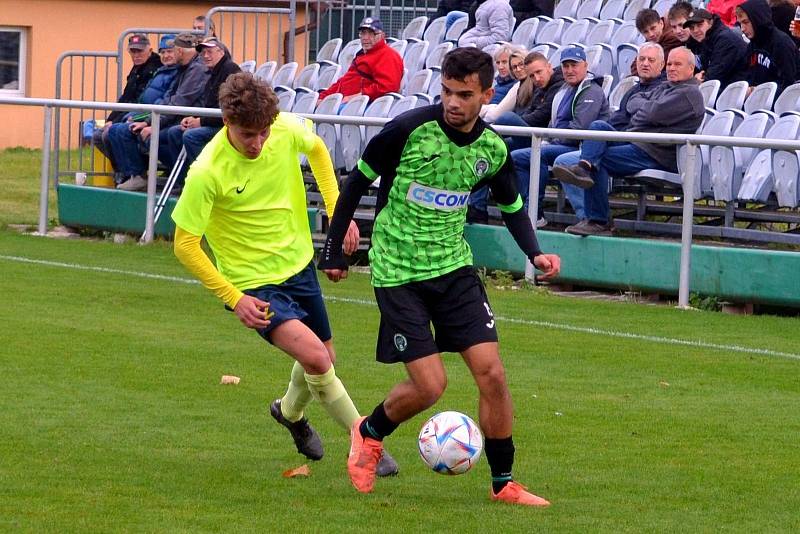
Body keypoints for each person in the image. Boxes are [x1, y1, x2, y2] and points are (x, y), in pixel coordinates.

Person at [317, 47, 561, 505]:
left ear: (487, 94)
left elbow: (512, 208)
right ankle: (368, 433)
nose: (453, 102)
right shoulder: (407, 130)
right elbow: (355, 183)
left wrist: (536, 253)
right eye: (447, 91)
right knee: (430, 386)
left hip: (454, 269)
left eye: (465, 94)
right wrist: (333, 250)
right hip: (398, 270)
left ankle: (503, 483)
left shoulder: (491, 149)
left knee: (492, 374)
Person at [171, 72, 398, 476]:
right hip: (253, 284)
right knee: (314, 355)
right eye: (247, 135)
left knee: (325, 358)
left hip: (298, 265)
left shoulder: (285, 129)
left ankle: (289, 412)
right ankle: (363, 436)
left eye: (263, 132)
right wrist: (234, 296)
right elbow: (185, 244)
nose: (257, 143)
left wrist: (336, 208)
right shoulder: (207, 170)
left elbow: (317, 148)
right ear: (226, 122)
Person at [550, 47, 705, 236]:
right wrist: (645, 113)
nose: (671, 68)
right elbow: (635, 103)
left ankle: (598, 220)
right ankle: (583, 167)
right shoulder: (667, 86)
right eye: (670, 64)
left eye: (677, 64)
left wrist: (643, 113)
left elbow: (649, 113)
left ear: (691, 69)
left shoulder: (689, 94)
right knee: (599, 127)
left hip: (654, 152)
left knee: (599, 160)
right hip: (636, 141)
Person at [544, 43, 667, 223]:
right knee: (596, 133)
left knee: (578, 158)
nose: (645, 63)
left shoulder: (664, 90)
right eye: (641, 59)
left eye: (651, 60)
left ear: (661, 65)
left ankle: (591, 218)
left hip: (643, 148)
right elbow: (617, 120)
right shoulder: (633, 90)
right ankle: (587, 215)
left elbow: (646, 119)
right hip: (623, 142)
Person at [509, 46, 609, 225]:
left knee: (543, 154)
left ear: (585, 65)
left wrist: (550, 140)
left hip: (579, 147)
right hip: (559, 142)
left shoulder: (591, 90)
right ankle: (531, 212)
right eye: (566, 66)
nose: (569, 70)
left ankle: (585, 216)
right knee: (519, 157)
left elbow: (579, 130)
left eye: (574, 65)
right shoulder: (564, 90)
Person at [110, 33, 209, 191]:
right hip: (168, 116)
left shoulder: (195, 69)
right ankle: (135, 176)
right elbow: (168, 98)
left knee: (154, 136)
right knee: (119, 130)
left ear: (179, 52)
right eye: (163, 51)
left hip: (186, 119)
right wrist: (149, 121)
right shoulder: (182, 68)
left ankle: (181, 179)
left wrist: (152, 123)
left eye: (171, 51)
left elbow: (179, 102)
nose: (166, 54)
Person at [164, 37, 241, 186]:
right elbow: (208, 106)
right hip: (213, 121)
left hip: (228, 125)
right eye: (203, 53)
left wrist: (199, 121)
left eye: (210, 52)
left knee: (191, 136)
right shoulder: (212, 72)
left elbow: (231, 111)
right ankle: (184, 183)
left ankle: (208, 181)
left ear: (220, 52)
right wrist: (193, 118)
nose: (206, 56)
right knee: (174, 132)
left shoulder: (230, 71)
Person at [91, 33, 162, 167]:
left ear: (150, 50)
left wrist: (115, 122)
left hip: (144, 115)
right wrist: (110, 119)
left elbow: (139, 102)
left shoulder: (154, 68)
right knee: (98, 136)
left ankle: (132, 172)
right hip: (132, 114)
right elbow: (126, 97)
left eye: (140, 51)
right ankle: (123, 170)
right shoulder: (137, 68)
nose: (136, 55)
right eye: (133, 51)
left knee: (108, 134)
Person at [318, 17, 403, 104]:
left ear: (382, 35)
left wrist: (356, 97)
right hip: (347, 102)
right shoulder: (363, 54)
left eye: (371, 33)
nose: (365, 38)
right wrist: (323, 97)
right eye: (363, 33)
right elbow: (344, 81)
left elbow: (388, 87)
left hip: (363, 106)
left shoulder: (388, 55)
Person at [736, 0, 800, 95]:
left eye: (746, 22)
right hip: (757, 101)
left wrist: (757, 91)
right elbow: (745, 76)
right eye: (740, 23)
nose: (742, 28)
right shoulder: (752, 45)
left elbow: (789, 85)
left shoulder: (782, 44)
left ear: (758, 19)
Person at [683, 8, 748, 89]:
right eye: (691, 28)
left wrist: (696, 79)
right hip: (727, 87)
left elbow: (713, 77)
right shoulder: (705, 39)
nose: (695, 30)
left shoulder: (725, 39)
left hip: (737, 92)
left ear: (710, 22)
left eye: (700, 25)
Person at [630, 9, 682, 76]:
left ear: (661, 23)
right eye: (646, 32)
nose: (651, 34)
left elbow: (656, 67)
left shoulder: (673, 39)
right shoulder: (653, 40)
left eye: (653, 28)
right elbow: (634, 66)